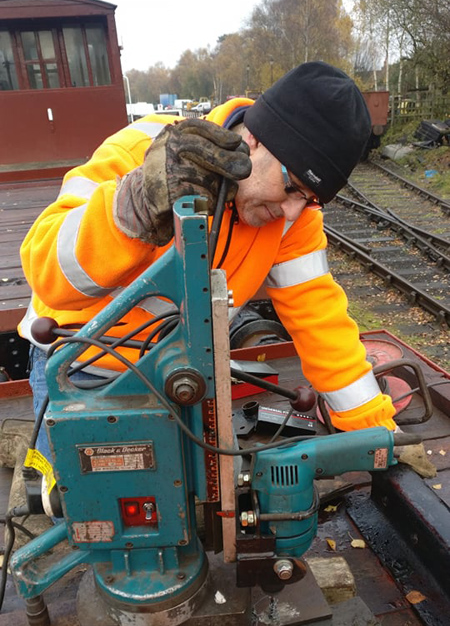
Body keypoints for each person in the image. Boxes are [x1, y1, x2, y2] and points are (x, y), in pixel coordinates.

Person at [19, 60, 397, 465]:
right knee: (81, 498)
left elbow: (322, 322)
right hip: (82, 368)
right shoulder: (145, 151)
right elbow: (45, 269)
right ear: (254, 139)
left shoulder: (295, 219)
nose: (292, 210)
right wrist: (135, 204)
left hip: (183, 372)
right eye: (292, 187)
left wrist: (379, 437)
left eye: (310, 199)